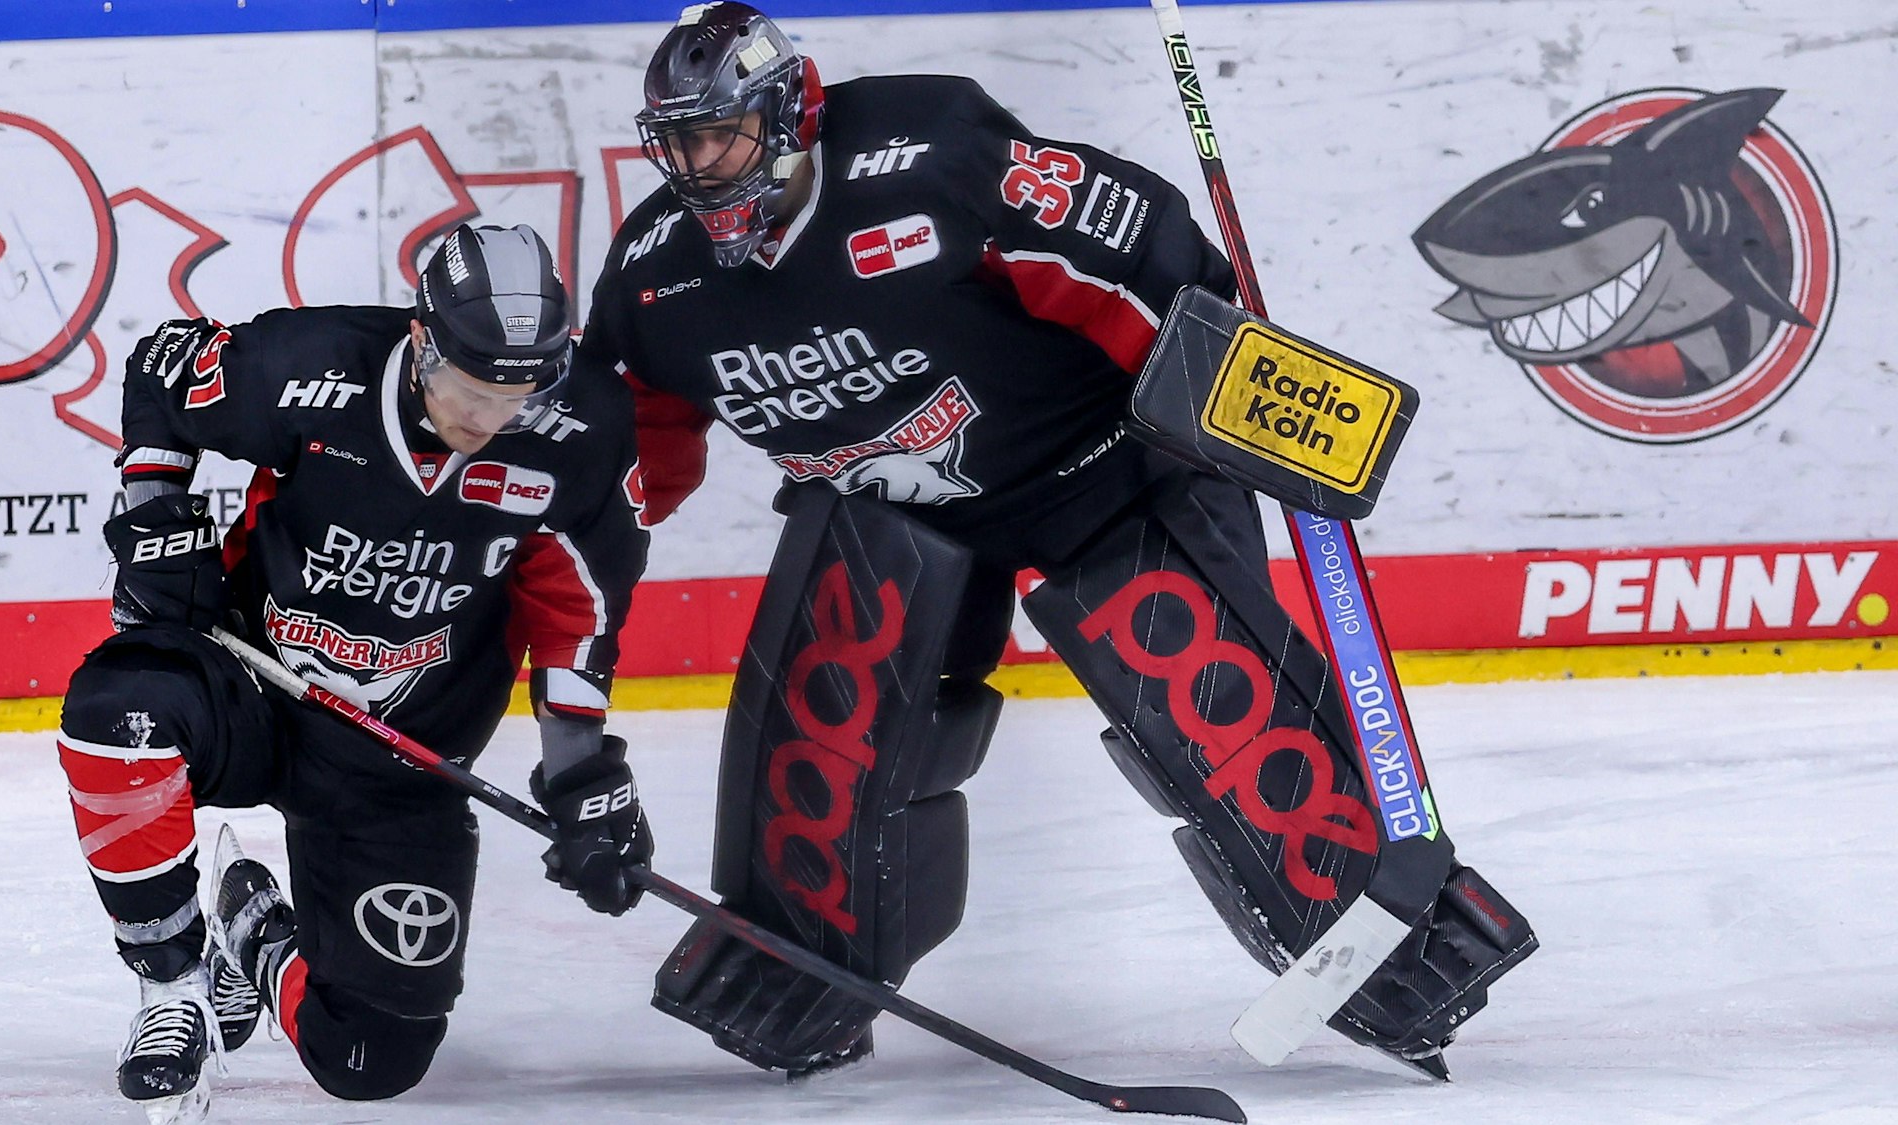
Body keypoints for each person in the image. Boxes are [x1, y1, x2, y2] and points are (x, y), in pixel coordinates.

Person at [577, 2, 1536, 1081]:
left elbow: (1153, 258)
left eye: (723, 134)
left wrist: (1246, 399)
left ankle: (1388, 939)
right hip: (889, 513)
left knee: (1201, 689)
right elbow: (620, 457)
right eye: (680, 141)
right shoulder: (655, 275)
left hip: (1098, 476)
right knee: (828, 718)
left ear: (792, 114)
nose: (700, 166)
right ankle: (804, 964)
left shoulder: (934, 162)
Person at [56, 223, 653, 1123]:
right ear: (421, 341)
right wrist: (156, 513)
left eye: (516, 398)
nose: (487, 420)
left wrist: (583, 773)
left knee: (369, 1058)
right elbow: (161, 372)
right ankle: (171, 986)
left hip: (397, 762)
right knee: (120, 710)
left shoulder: (581, 432)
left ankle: (254, 930)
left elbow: (580, 606)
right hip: (254, 688)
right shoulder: (310, 364)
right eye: (467, 389)